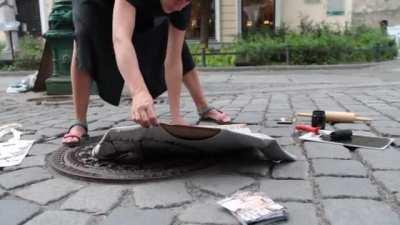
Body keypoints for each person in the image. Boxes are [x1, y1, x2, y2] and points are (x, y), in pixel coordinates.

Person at [62, 0, 231, 146]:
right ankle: (80, 123)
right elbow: (121, 38)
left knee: (174, 42)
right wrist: (139, 91)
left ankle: (203, 107)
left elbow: (173, 59)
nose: (181, 5)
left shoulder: (182, 5)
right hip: (97, 4)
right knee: (84, 37)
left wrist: (176, 117)